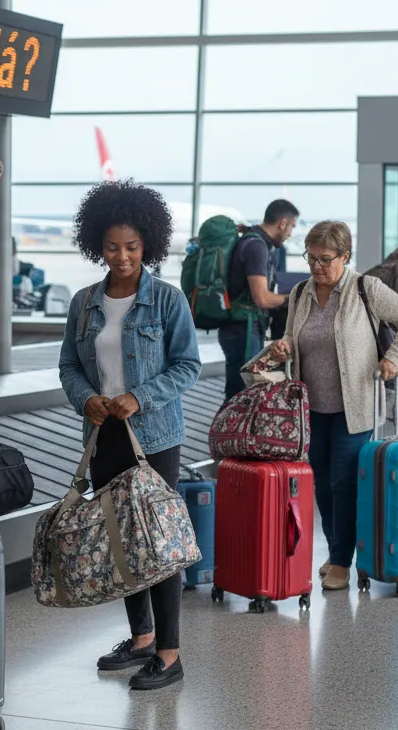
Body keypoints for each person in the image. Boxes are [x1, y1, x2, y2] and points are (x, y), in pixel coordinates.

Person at [58, 180, 201, 690]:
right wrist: (86, 399)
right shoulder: (84, 303)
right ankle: (140, 638)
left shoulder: (166, 299)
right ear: (99, 244)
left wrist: (140, 396)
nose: (122, 257)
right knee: (122, 542)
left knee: (157, 543)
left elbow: (188, 365)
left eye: (132, 248)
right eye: (113, 247)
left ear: (149, 246)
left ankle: (169, 651)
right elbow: (70, 367)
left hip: (155, 436)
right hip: (103, 437)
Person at [263, 221, 398, 591]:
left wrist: (393, 358)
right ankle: (338, 550)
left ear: (345, 256)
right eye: (311, 258)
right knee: (322, 484)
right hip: (311, 407)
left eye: (325, 260)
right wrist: (282, 346)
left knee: (344, 482)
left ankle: (340, 562)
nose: (317, 267)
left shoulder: (366, 288)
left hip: (355, 405)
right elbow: (290, 335)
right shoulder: (301, 293)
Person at [217, 199, 297, 402]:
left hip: (239, 328)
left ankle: (231, 432)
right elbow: (261, 298)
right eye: (291, 227)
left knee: (238, 390)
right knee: (242, 392)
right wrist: (292, 298)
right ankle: (228, 433)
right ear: (282, 223)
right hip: (243, 330)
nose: (290, 234)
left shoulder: (254, 241)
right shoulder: (257, 247)